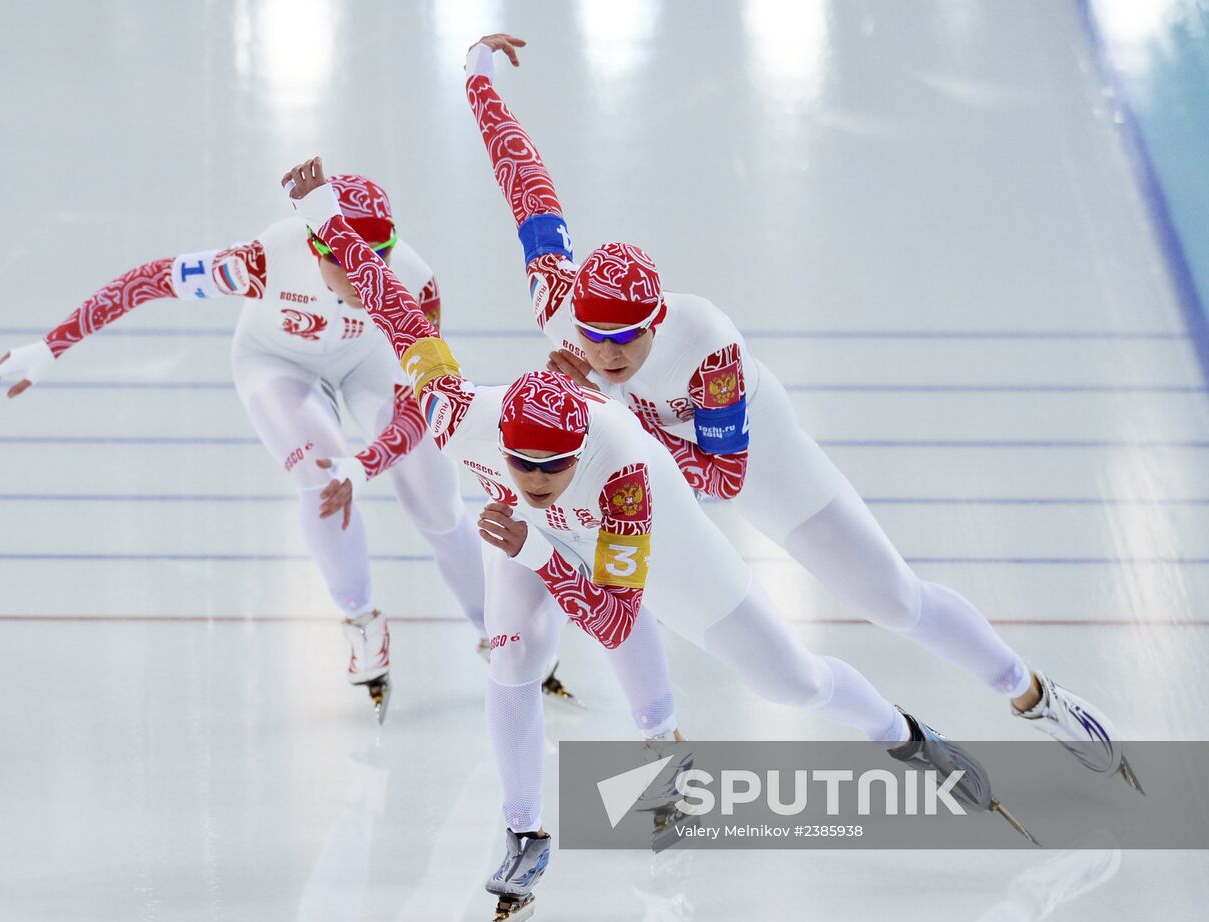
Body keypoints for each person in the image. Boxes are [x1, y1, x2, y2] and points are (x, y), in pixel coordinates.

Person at [281, 156, 1021, 922]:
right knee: (511, 657)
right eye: (521, 464)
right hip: (527, 541)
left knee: (793, 683)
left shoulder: (630, 475)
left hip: (650, 548)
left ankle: (902, 734)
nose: (537, 478)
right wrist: (327, 210)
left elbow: (611, 617)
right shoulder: (455, 410)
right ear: (494, 439)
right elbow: (395, 308)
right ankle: (525, 828)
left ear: (583, 451)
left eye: (553, 466)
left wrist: (533, 543)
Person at [462, 33, 1140, 790]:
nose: (608, 351)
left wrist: (616, 404)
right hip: (649, 466)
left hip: (754, 456)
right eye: (596, 336)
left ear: (658, 319)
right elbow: (527, 190)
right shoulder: (562, 306)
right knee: (771, 665)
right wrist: (480, 82)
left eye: (627, 338)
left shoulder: (707, 343)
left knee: (892, 598)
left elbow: (721, 480)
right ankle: (891, 729)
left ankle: (1031, 694)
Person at [0, 174, 496, 722]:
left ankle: (496, 626)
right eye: (344, 265)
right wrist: (51, 346)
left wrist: (368, 462)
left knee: (435, 499)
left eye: (375, 265)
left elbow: (426, 403)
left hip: (370, 362)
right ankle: (362, 620)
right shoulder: (268, 258)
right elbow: (150, 280)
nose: (361, 283)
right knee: (322, 479)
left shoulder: (413, 284)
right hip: (278, 364)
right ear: (315, 244)